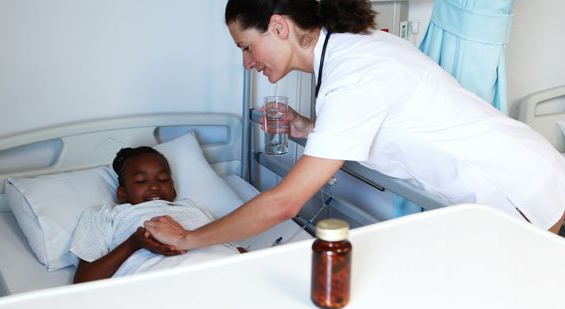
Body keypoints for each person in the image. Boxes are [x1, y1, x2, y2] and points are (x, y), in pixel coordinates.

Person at [144, 0, 565, 250]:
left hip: (522, 190)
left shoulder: (354, 74)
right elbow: (379, 119)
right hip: (523, 173)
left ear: (278, 26)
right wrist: (310, 128)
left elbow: (284, 203)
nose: (247, 62)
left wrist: (189, 239)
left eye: (247, 46)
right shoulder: (353, 50)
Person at [70, 146, 240, 283]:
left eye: (163, 179)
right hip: (161, 282)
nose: (154, 186)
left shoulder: (193, 209)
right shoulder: (107, 215)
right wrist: (134, 243)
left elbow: (231, 248)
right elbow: (84, 282)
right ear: (122, 193)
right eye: (141, 181)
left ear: (173, 188)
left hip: (222, 271)